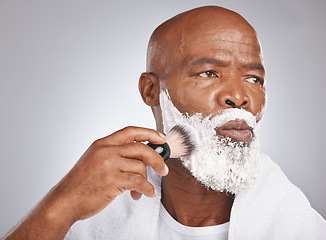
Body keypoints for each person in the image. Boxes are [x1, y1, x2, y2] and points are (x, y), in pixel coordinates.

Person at [3, 5, 326, 240]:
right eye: (209, 73)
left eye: (254, 79)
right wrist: (61, 207)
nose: (239, 97)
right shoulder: (96, 220)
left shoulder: (296, 226)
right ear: (151, 90)